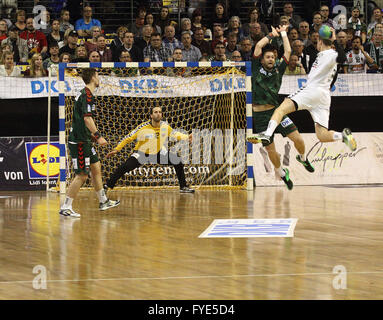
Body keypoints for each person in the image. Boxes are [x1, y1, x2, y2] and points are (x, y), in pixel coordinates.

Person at [247, 26, 357, 155]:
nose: (316, 44)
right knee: (322, 135)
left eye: (318, 41)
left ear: (321, 42)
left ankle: (267, 134)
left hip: (312, 90)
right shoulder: (322, 56)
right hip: (324, 96)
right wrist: (281, 33)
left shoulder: (329, 54)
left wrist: (333, 40)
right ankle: (341, 136)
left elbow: (341, 57)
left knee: (280, 109)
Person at [247, 25, 313, 190]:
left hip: (277, 113)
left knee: (298, 139)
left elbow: (288, 51)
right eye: (267, 57)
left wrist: (284, 33)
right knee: (271, 151)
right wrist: (271, 34)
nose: (270, 59)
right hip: (261, 117)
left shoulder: (279, 68)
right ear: (262, 60)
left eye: (272, 57)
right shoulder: (256, 68)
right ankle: (281, 172)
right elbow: (258, 46)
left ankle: (303, 158)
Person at [59, 68, 120, 218]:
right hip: (79, 141)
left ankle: (103, 201)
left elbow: (81, 119)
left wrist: (91, 136)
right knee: (82, 175)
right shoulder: (87, 95)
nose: (99, 78)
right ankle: (66, 206)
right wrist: (98, 136)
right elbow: (87, 119)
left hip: (85, 139)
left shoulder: (84, 93)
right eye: (98, 75)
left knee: (96, 167)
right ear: (93, 77)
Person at [103, 105, 194, 194]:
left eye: (160, 112)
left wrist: (187, 137)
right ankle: (107, 186)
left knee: (177, 161)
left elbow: (175, 134)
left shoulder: (165, 126)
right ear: (151, 115)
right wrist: (117, 149)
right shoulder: (143, 127)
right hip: (142, 153)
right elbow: (128, 138)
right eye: (155, 112)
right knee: (125, 166)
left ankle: (183, 187)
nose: (158, 114)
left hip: (157, 153)